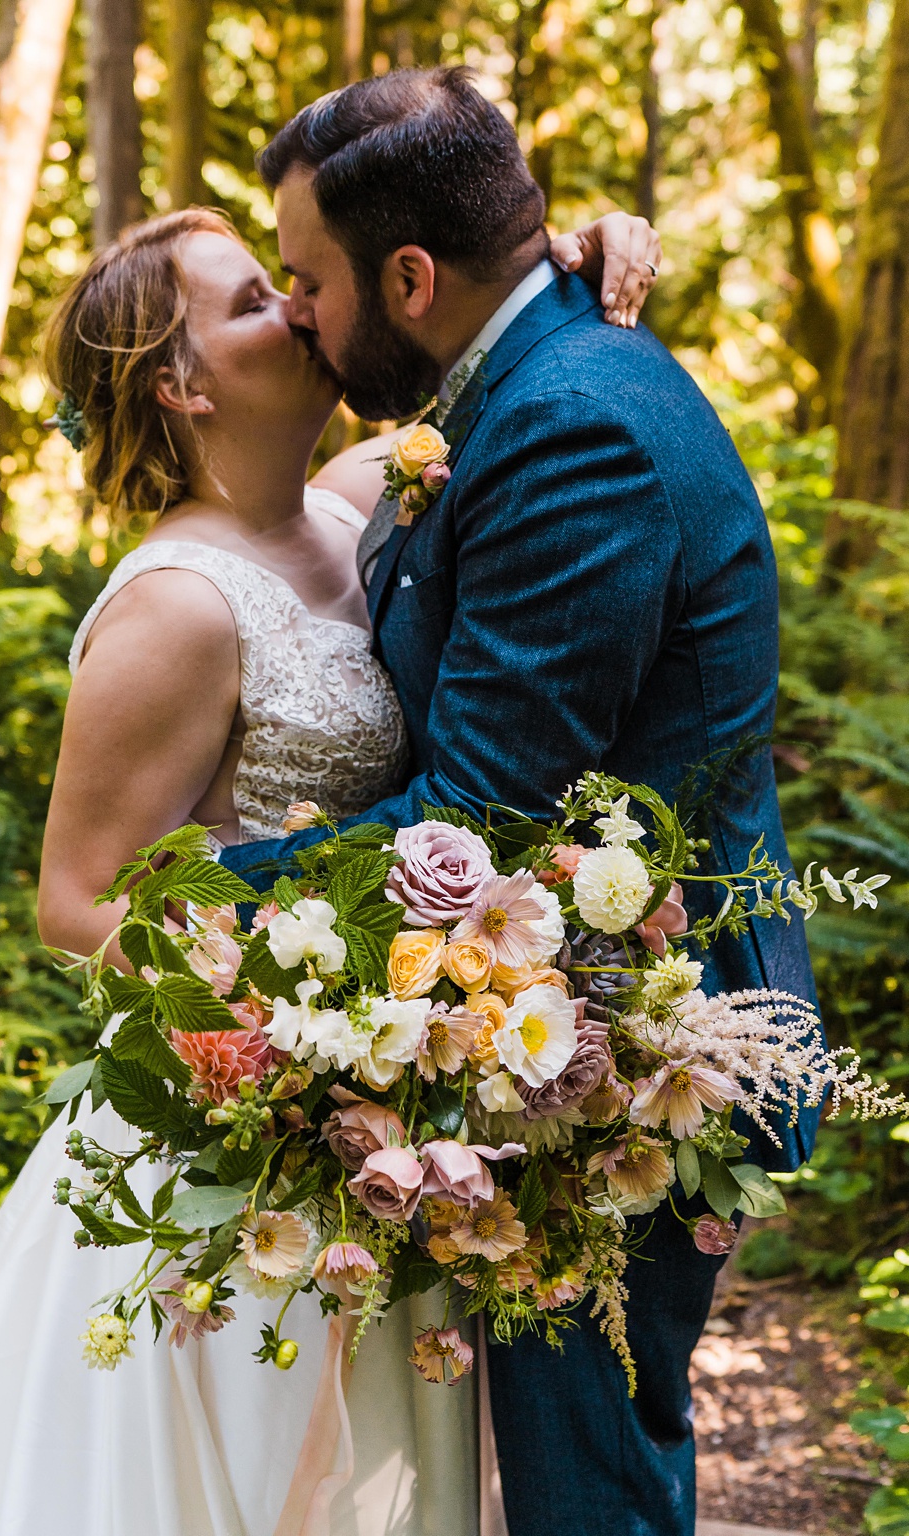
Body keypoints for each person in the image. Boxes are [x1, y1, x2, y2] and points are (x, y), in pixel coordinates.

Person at [0, 194, 660, 1536]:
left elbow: (503, 349)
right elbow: (78, 898)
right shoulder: (177, 606)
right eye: (253, 301)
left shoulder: (365, 498)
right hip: (244, 1133)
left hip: (383, 1120)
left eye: (286, 284)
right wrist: (277, 1036)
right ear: (181, 386)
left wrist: (582, 248)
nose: (302, 308)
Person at [211, 66, 821, 1536]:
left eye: (305, 281)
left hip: (628, 1053)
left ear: (409, 276)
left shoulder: (571, 430)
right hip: (543, 1035)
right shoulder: (517, 380)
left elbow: (481, 814)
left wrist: (192, 898)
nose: (296, 313)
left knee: (586, 1492)